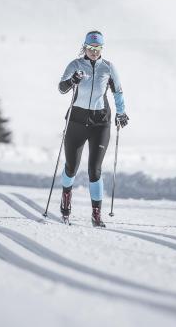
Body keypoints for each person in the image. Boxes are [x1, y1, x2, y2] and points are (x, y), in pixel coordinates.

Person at [58, 30, 129, 227]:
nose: (94, 52)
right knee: (71, 167)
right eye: (90, 48)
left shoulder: (108, 67)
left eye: (98, 48)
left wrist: (121, 112)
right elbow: (61, 88)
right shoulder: (75, 65)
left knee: (94, 170)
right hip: (77, 121)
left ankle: (96, 214)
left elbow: (118, 92)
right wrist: (73, 80)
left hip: (100, 122)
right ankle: (66, 197)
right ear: (85, 47)